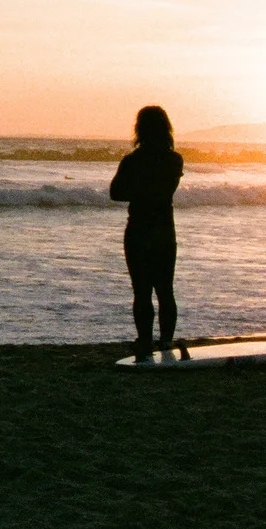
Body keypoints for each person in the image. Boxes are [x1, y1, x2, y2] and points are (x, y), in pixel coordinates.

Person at [109, 105, 184, 361]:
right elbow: (164, 191)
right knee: (165, 290)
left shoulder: (132, 161)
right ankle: (166, 341)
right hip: (164, 229)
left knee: (141, 291)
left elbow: (115, 192)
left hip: (139, 229)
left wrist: (138, 190)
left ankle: (144, 340)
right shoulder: (174, 160)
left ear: (139, 129)